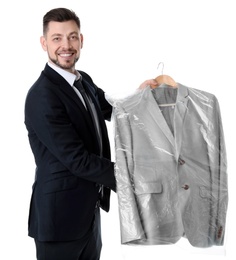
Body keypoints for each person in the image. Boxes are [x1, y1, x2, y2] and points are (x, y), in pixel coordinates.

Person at [24, 7, 156, 260]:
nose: (66, 45)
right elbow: (77, 160)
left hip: (87, 214)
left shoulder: (82, 80)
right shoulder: (42, 96)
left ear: (81, 40)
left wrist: (141, 96)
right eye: (57, 38)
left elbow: (111, 108)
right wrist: (132, 178)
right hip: (59, 220)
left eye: (72, 36)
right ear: (44, 43)